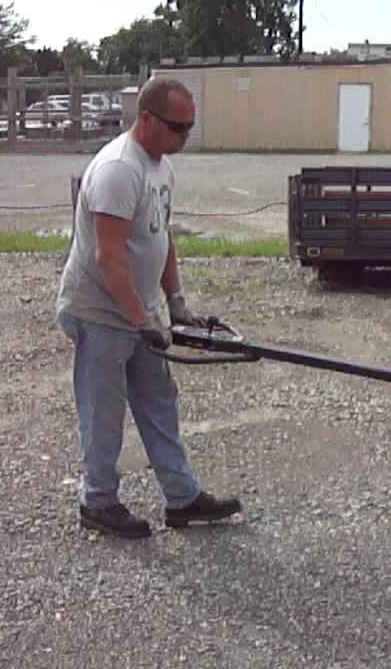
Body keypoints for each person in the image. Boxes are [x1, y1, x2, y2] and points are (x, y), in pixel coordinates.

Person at [56, 75, 241, 539]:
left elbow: (161, 237)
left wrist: (174, 303)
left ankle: (181, 497)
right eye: (178, 127)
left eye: (189, 127)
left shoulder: (161, 166)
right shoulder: (119, 169)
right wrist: (141, 321)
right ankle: (96, 501)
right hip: (100, 311)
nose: (185, 136)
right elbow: (109, 255)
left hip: (140, 310)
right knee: (103, 410)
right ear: (146, 118)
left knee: (159, 403)